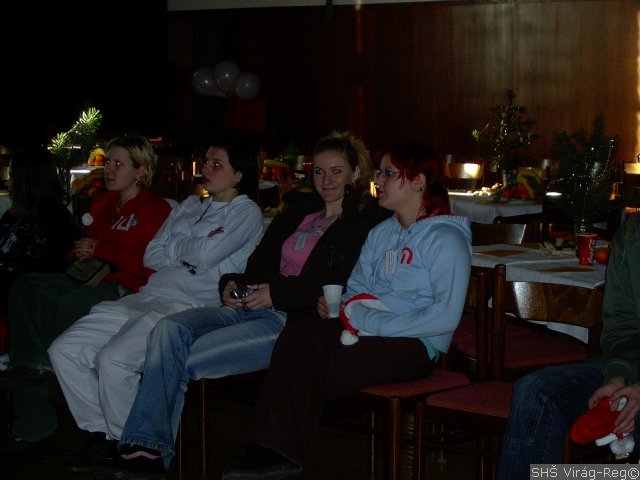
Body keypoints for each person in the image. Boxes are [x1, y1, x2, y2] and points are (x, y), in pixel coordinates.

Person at [100, 131, 390, 477]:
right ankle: (146, 448)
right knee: (170, 329)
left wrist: (276, 293)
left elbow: (338, 283)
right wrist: (230, 282)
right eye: (318, 171)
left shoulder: (363, 225)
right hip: (246, 306)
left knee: (173, 357)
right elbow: (257, 266)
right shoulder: (297, 214)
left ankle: (145, 452)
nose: (326, 180)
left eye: (336, 171)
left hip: (287, 320)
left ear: (355, 173)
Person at [220, 141, 472, 479]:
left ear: (418, 182)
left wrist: (370, 320)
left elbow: (445, 317)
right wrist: (338, 306)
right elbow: (355, 287)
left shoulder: (445, 238)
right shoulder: (381, 233)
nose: (378, 181)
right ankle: (274, 454)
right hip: (360, 329)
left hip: (413, 342)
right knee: (302, 333)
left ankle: (272, 453)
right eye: (380, 173)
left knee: (309, 372)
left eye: (388, 174)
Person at [48, 140, 264, 472]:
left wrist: (176, 248)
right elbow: (152, 255)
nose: (206, 169)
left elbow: (204, 256)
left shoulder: (245, 212)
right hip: (147, 296)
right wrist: (188, 252)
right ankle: (110, 436)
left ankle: (133, 452)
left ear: (239, 174)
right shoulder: (189, 204)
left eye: (217, 164)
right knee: (64, 350)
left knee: (113, 360)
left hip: (187, 304)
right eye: (205, 161)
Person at [0, 135, 172, 451]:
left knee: (58, 312)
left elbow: (152, 266)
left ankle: (43, 400)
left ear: (141, 171)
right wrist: (79, 252)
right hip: (88, 279)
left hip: (126, 288)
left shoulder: (156, 210)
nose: (109, 169)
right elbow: (79, 253)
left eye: (118, 163)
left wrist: (102, 249)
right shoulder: (103, 203)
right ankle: (34, 374)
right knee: (28, 286)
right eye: (108, 162)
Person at [496, 212, 640, 479]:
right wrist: (618, 375)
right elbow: (622, 326)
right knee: (535, 392)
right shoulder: (633, 233)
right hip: (633, 365)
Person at [0, 147, 78, 316]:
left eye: (12, 177)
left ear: (28, 182)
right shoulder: (11, 217)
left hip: (22, 307)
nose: (7, 183)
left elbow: (43, 278)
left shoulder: (58, 223)